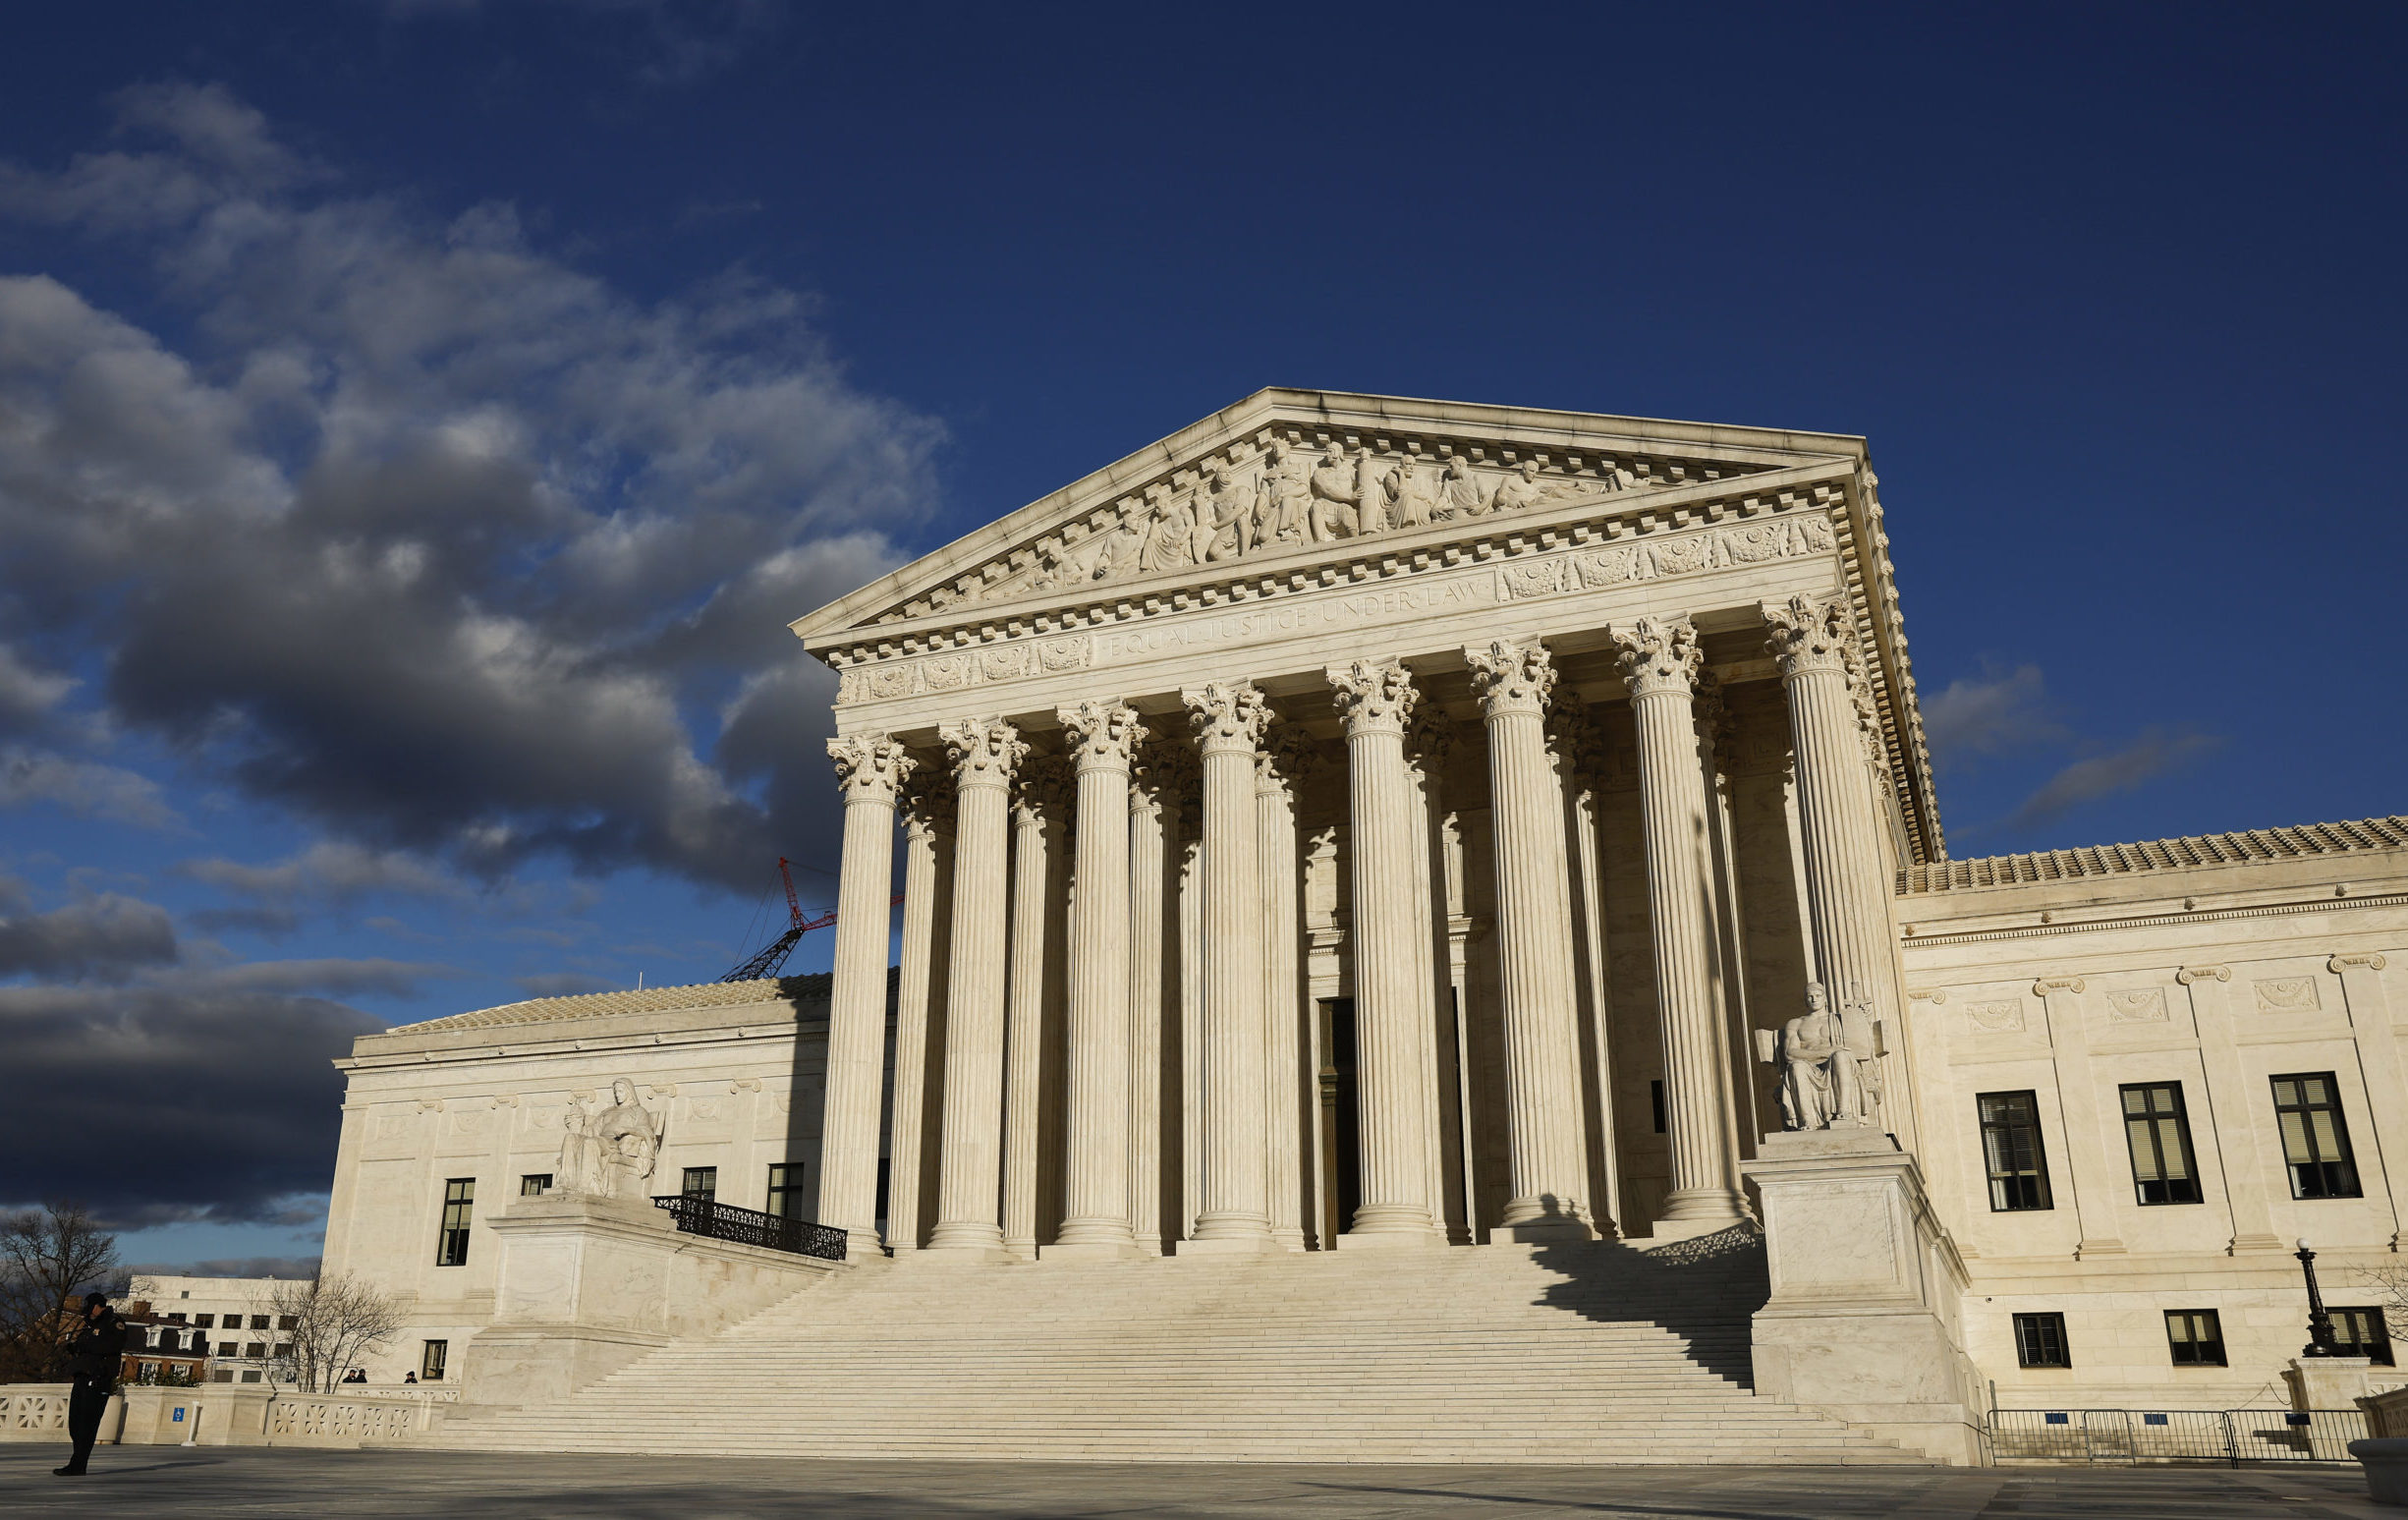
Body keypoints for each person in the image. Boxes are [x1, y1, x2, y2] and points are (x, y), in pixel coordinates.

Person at [54, 1292, 121, 1478]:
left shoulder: (114, 1323)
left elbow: (113, 1346)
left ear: (99, 1307)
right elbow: (87, 1346)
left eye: (91, 1310)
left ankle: (78, 1464)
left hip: (98, 1379)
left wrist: (87, 1347)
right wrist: (75, 1348)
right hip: (82, 1377)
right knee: (75, 1422)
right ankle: (77, 1461)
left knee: (88, 1424)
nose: (89, 1314)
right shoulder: (90, 1326)